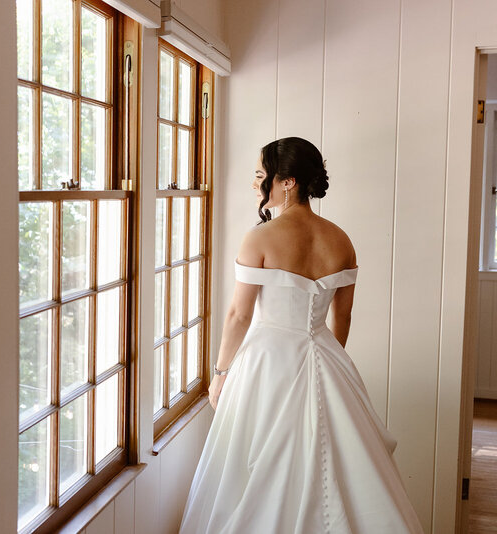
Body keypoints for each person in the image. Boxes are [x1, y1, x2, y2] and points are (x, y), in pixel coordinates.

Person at [178, 137, 424, 533]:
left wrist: (220, 373)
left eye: (262, 176)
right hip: (324, 352)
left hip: (267, 360)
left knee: (254, 468)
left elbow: (239, 315)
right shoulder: (341, 239)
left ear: (288, 181)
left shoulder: (259, 237)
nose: (256, 184)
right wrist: (329, 362)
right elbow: (343, 316)